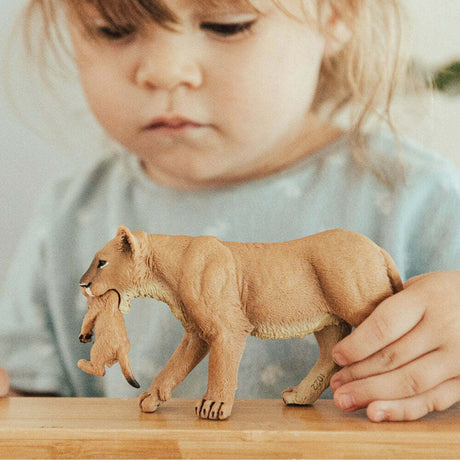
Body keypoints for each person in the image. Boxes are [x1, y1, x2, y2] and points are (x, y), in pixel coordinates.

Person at [1, 0, 459, 422]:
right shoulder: (66, 214)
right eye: (115, 30)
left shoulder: (422, 199)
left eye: (227, 25)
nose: (166, 72)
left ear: (336, 13)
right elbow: (31, 407)